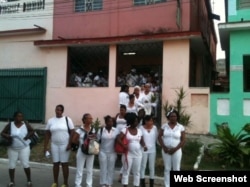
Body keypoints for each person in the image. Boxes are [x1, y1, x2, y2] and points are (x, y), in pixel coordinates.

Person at [44, 104, 75, 187]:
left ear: (62, 111)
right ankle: (55, 182)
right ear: (55, 110)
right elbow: (47, 134)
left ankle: (65, 183)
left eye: (60, 110)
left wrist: (70, 143)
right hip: (54, 144)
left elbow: (72, 131)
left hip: (65, 145)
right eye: (57, 109)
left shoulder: (67, 119)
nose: (58, 111)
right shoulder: (51, 121)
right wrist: (45, 147)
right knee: (55, 164)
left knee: (64, 164)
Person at [1, 111, 34, 187]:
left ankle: (29, 180)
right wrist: (7, 136)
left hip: (24, 148)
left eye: (21, 116)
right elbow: (2, 133)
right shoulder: (10, 124)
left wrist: (27, 136)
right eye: (18, 116)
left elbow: (32, 131)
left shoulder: (25, 124)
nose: (20, 118)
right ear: (14, 117)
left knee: (25, 164)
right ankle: (12, 181)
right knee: (11, 165)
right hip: (12, 148)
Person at [116, 112, 147, 187]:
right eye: (135, 121)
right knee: (126, 171)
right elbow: (118, 139)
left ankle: (136, 185)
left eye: (137, 121)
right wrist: (124, 146)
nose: (137, 122)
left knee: (137, 172)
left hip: (138, 154)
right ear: (131, 121)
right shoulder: (125, 129)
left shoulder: (139, 130)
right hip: (128, 154)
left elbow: (142, 141)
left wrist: (144, 146)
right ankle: (125, 185)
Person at [158, 109, 185, 187]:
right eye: (171, 116)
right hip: (166, 150)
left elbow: (183, 140)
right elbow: (159, 137)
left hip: (176, 151)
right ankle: (167, 185)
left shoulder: (180, 127)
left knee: (176, 169)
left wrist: (175, 149)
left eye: (175, 116)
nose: (173, 117)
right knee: (167, 169)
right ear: (168, 117)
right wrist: (164, 147)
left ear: (177, 117)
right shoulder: (164, 126)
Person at [74, 113, 96, 187]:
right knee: (80, 169)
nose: (91, 119)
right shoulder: (79, 130)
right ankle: (78, 184)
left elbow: (94, 139)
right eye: (89, 118)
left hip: (90, 151)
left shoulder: (93, 129)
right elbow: (74, 140)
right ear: (85, 120)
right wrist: (81, 144)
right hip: (81, 151)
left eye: (91, 118)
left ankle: (89, 184)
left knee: (90, 169)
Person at [98, 115, 119, 187]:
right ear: (106, 122)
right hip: (103, 152)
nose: (111, 123)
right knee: (103, 169)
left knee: (111, 168)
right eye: (109, 121)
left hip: (113, 152)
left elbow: (118, 140)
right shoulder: (101, 130)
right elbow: (97, 140)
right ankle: (103, 183)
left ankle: (109, 183)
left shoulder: (116, 130)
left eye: (112, 121)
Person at [139, 115, 158, 187]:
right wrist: (144, 145)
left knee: (151, 167)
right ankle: (142, 183)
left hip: (152, 150)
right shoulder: (141, 128)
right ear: (146, 121)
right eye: (150, 121)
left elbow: (156, 137)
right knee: (143, 166)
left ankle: (151, 184)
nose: (151, 122)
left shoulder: (155, 128)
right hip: (144, 149)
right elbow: (140, 138)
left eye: (152, 121)